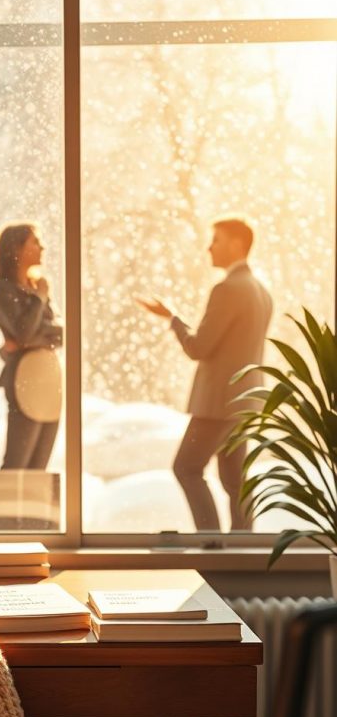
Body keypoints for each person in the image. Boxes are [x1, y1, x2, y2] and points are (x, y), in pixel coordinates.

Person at [136, 217, 272, 532]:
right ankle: (242, 546)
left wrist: (173, 319)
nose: (209, 248)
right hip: (244, 403)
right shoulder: (261, 291)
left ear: (236, 244)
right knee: (235, 481)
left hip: (218, 403)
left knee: (186, 467)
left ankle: (210, 542)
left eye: (216, 240)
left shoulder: (227, 289)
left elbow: (198, 347)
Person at [0, 223, 63, 469]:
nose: (43, 247)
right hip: (25, 379)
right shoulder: (3, 289)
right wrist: (39, 300)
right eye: (35, 242)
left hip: (49, 380)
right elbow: (25, 333)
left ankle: (31, 500)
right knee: (16, 463)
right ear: (16, 248)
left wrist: (30, 339)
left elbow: (62, 334)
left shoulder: (35, 285)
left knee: (39, 466)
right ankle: (5, 499)